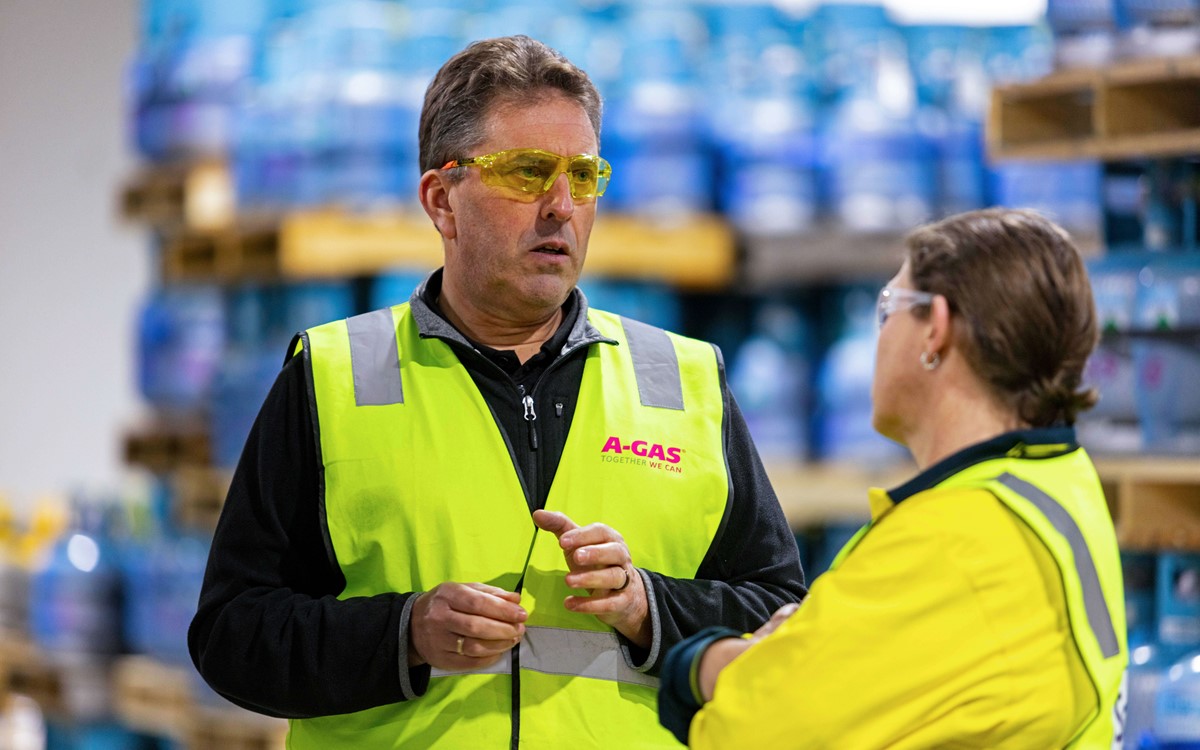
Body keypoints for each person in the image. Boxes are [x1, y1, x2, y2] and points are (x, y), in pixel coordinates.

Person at [188, 35, 806, 748]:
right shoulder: (333, 378)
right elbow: (232, 635)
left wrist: (649, 606)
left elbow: (781, 616)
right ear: (441, 200)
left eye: (583, 174)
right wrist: (405, 633)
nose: (561, 206)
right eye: (526, 172)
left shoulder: (683, 380)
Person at [658, 208, 1128, 749]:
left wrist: (707, 662)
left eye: (889, 308)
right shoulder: (1056, 480)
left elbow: (744, 733)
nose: (878, 336)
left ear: (937, 329)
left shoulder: (951, 539)